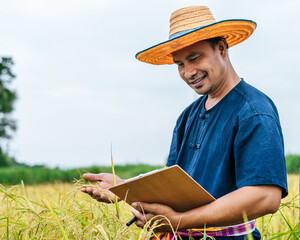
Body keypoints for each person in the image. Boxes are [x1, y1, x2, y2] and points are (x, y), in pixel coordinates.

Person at [81, 6, 288, 240]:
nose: (188, 72)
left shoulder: (253, 111)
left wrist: (179, 221)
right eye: (180, 64)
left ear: (221, 48)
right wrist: (126, 188)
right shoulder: (188, 116)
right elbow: (174, 182)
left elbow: (265, 197)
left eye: (194, 58)